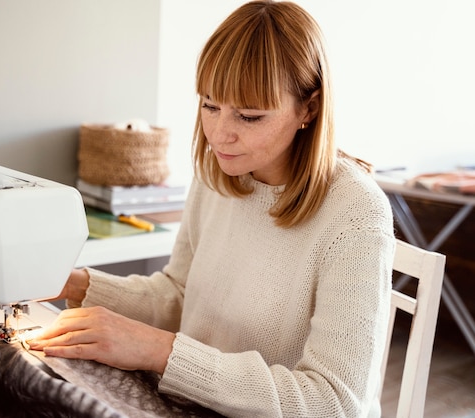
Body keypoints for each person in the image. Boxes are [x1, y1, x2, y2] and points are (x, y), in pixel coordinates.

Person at [27, 1, 395, 416]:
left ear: (308, 109)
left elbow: (334, 402)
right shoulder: (218, 174)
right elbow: (179, 295)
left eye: (250, 116)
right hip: (194, 405)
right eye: (209, 105)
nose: (220, 134)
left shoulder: (356, 213)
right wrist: (74, 284)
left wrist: (161, 352)